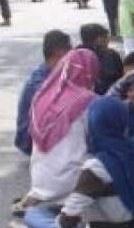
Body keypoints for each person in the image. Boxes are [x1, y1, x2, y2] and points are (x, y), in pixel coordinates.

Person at [10, 97, 134, 228]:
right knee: (60, 209)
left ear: (94, 124)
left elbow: (69, 216)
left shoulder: (98, 166)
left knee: (34, 215)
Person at [12, 48, 100, 214]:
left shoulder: (43, 95)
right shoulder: (89, 102)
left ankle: (37, 201)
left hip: (40, 179)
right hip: (72, 182)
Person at [14, 30, 73, 156]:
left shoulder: (54, 72)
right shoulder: (40, 84)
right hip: (31, 141)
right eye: (68, 55)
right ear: (58, 54)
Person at [79, 23, 124, 95]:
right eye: (104, 37)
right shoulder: (110, 55)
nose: (107, 40)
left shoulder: (75, 55)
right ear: (93, 40)